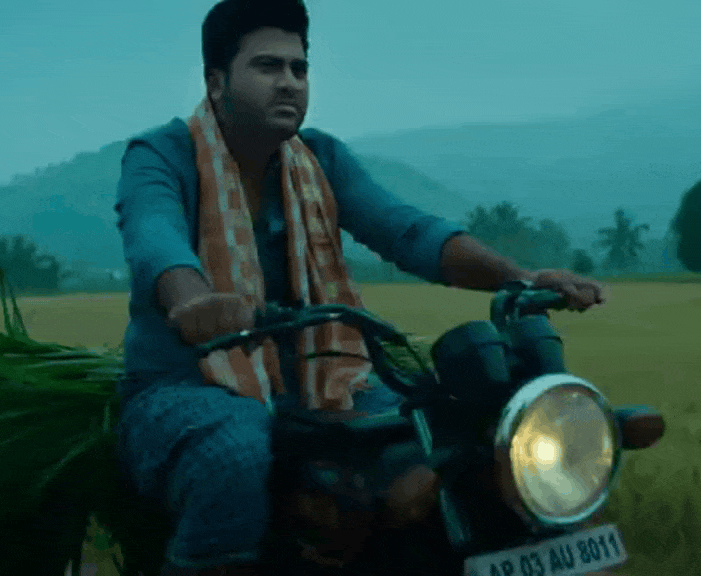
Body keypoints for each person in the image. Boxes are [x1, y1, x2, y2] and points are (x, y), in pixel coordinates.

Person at [112, 1, 613, 574]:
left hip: (321, 380)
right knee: (236, 452)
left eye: (299, 68)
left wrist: (519, 276)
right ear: (216, 81)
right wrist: (193, 301)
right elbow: (154, 237)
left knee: (437, 434)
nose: (289, 82)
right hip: (187, 385)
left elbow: (406, 230)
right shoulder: (162, 155)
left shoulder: (319, 159)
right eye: (267, 66)